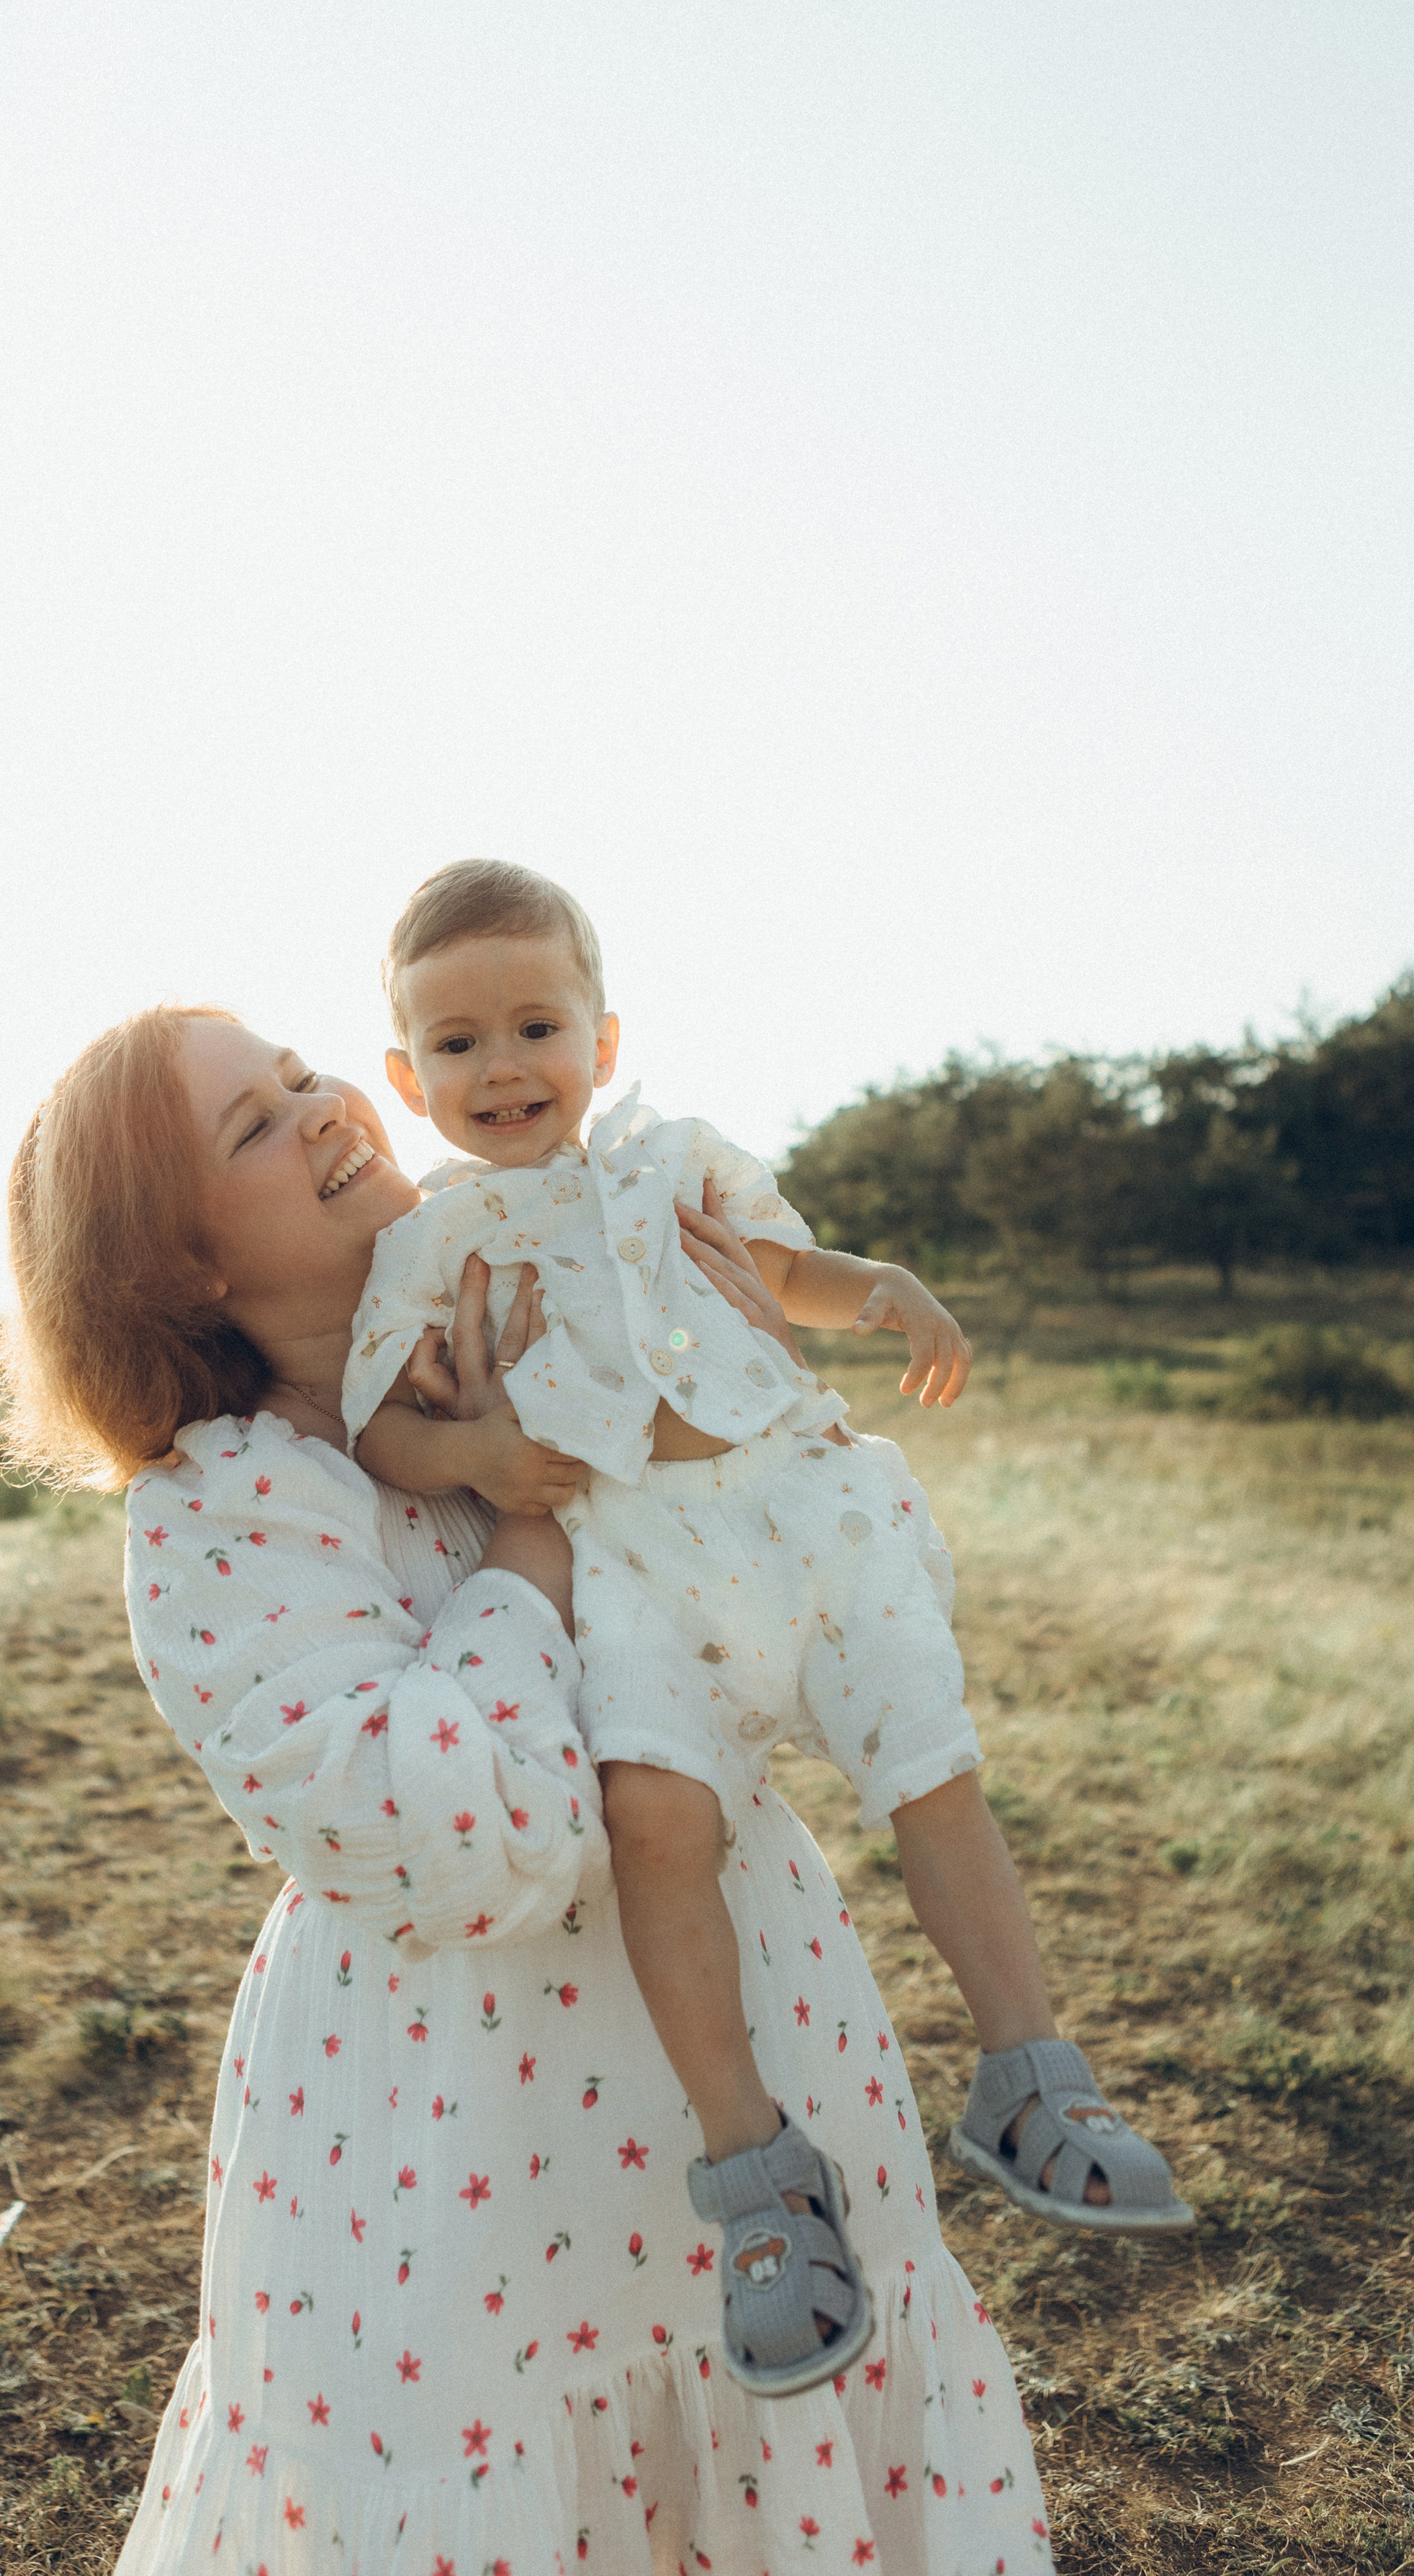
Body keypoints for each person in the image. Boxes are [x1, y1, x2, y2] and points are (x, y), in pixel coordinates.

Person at [0, 1000, 1055, 2575]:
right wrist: (529, 1534)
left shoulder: (556, 1324)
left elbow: (797, 1619)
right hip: (459, 2136)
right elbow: (457, 1842)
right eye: (251, 1126)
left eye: (298, 1072)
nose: (321, 1104)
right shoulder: (226, 1509)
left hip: (754, 2012)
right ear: (182, 1264)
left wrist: (733, 1397)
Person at [345, 861, 1192, 2395]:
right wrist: (463, 1456)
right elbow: (377, 1428)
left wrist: (882, 1289)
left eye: (536, 1024)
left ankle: (1026, 2075)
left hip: (799, 1511)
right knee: (658, 1821)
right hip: (631, 1556)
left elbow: (783, 1273)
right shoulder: (425, 1240)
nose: (501, 1067)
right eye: (455, 1045)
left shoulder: (674, 1156)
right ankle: (755, 2175)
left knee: (927, 1769)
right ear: (405, 1078)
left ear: (601, 1042)